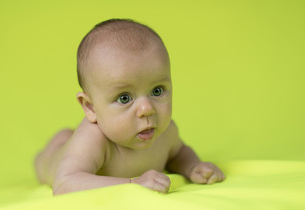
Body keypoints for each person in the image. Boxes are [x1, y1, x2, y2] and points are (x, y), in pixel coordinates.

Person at [34, 18, 225, 195]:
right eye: (124, 98)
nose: (147, 109)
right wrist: (133, 183)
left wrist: (192, 166)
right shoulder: (94, 140)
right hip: (53, 158)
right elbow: (64, 183)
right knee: (54, 151)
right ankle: (60, 141)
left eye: (157, 91)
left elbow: (179, 153)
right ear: (90, 107)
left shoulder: (165, 132)